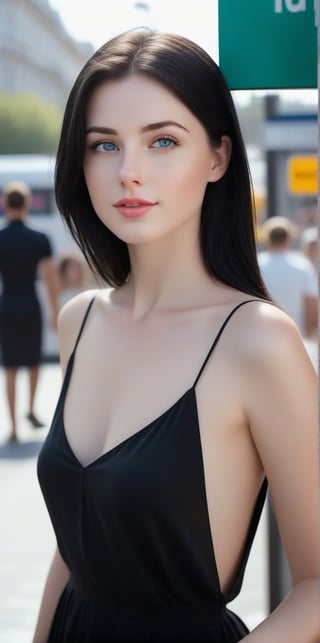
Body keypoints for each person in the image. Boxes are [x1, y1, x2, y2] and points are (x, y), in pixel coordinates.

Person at [34, 29, 318, 643]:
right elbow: (77, 544)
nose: (129, 172)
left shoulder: (257, 342)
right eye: (104, 144)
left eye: (163, 140)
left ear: (217, 157)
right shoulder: (79, 320)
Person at [0, 181, 58, 441]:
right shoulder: (40, 239)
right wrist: (55, 310)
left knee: (10, 367)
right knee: (34, 360)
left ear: (4, 204)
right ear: (26, 204)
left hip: (8, 303)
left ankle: (13, 427)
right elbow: (49, 278)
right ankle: (31, 408)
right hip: (31, 303)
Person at [258, 216, 318, 338]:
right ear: (289, 238)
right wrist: (308, 335)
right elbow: (312, 302)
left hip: (262, 335)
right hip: (296, 336)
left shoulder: (255, 264)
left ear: (266, 238)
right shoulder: (302, 265)